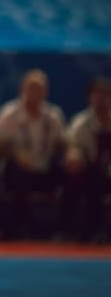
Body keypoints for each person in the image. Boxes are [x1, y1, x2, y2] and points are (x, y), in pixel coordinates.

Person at [0, 69, 68, 239]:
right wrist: (17, 154)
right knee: (21, 173)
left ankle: (63, 228)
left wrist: (72, 155)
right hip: (17, 169)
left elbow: (63, 144)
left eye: (39, 89)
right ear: (22, 89)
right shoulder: (9, 115)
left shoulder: (53, 116)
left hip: (45, 168)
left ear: (45, 92)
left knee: (73, 174)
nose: (34, 93)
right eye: (31, 88)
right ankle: (20, 226)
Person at [65, 77, 111, 242]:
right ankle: (82, 231)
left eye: (105, 95)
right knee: (87, 180)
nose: (101, 99)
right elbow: (72, 147)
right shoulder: (80, 123)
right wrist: (74, 157)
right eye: (97, 95)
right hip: (89, 173)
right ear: (90, 97)